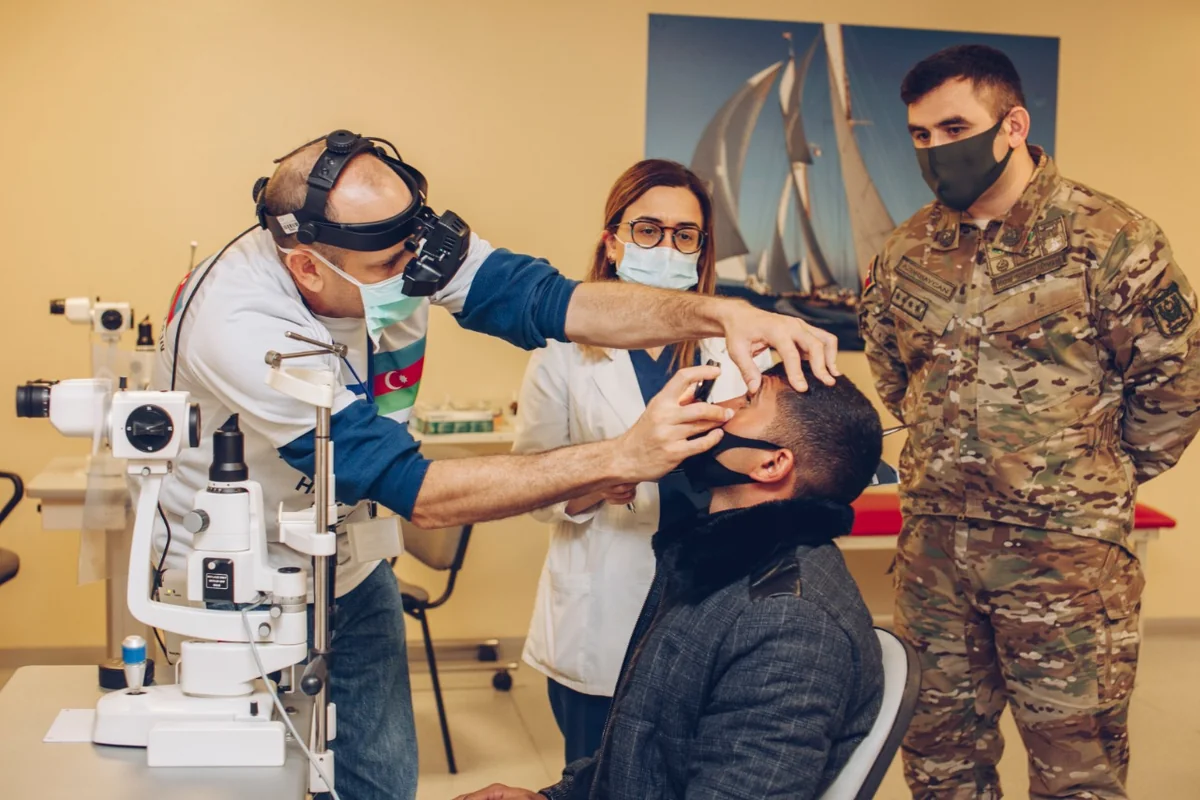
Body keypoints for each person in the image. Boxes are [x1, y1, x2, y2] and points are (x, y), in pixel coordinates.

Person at [153, 130, 841, 800]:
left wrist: (722, 316)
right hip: (239, 570)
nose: (413, 276)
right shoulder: (242, 326)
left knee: (380, 775)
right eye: (390, 267)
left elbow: (553, 300)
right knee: (256, 772)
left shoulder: (401, 246)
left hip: (352, 561)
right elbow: (416, 490)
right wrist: (621, 456)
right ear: (308, 267)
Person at [859, 45, 1200, 799]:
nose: (935, 149)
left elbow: (1176, 384)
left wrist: (1087, 476)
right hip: (936, 553)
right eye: (920, 134)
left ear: (1012, 126)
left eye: (954, 128)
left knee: (1077, 772)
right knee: (939, 763)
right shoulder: (907, 248)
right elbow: (896, 375)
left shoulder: (1109, 237)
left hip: (1067, 560)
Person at [458, 362, 885, 800]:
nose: (716, 408)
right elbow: (644, 751)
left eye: (745, 402)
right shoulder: (713, 571)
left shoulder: (789, 626)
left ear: (772, 463)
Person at [514, 158, 772, 763]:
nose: (666, 248)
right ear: (613, 243)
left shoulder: (735, 349)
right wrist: (606, 473)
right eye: (648, 230)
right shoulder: (561, 353)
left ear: (701, 250)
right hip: (605, 603)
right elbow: (531, 485)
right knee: (597, 772)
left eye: (685, 235)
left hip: (712, 591)